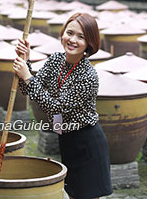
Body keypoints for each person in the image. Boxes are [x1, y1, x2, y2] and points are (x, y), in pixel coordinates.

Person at [13, 12, 113, 199]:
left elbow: (55, 108)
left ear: (89, 43)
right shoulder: (55, 60)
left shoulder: (88, 76)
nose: (72, 40)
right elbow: (28, 89)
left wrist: (27, 75)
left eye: (80, 37)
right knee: (72, 193)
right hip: (66, 137)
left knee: (87, 195)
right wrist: (25, 60)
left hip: (86, 141)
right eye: (70, 33)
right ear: (62, 34)